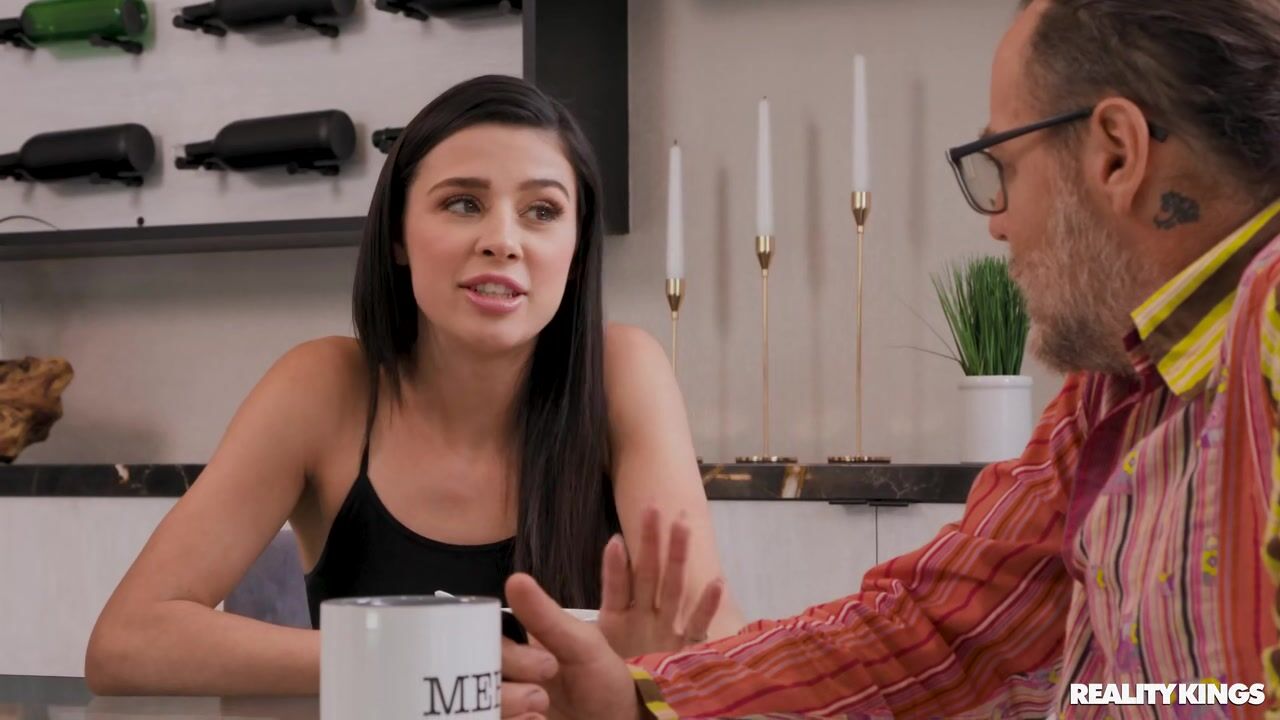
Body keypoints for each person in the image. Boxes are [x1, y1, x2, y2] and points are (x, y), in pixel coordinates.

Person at [499, 0, 1280, 717]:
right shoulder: (1116, 389)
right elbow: (938, 628)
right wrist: (641, 701)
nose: (997, 222)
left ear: (1116, 153)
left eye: (1003, 166)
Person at [83, 74, 743, 697]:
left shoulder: (621, 371)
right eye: (463, 203)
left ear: (575, 254)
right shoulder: (323, 388)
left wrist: (645, 684)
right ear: (398, 235)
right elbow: (126, 643)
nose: (503, 240)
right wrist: (420, 658)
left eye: (542, 211)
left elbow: (719, 651)